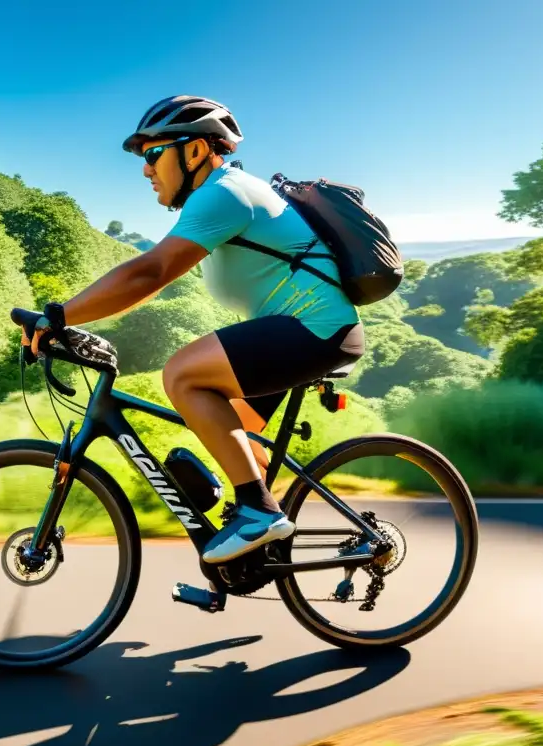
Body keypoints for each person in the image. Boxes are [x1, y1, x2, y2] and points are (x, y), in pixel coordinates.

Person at [22, 95, 365, 565]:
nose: (146, 170)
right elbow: (149, 282)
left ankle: (259, 516)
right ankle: (254, 555)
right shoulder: (226, 190)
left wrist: (59, 316)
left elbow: (150, 273)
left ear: (198, 151)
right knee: (233, 440)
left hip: (314, 329)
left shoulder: (223, 193)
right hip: (298, 331)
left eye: (152, 154)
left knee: (183, 374)